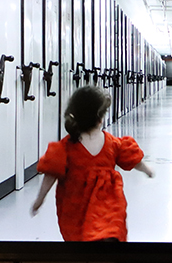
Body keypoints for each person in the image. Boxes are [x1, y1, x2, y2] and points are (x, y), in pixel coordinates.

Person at [31, 85, 154, 241]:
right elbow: (133, 160)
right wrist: (147, 170)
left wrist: (39, 199)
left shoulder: (64, 148)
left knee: (78, 236)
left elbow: (50, 176)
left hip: (75, 204)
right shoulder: (113, 144)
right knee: (111, 229)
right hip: (108, 205)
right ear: (100, 118)